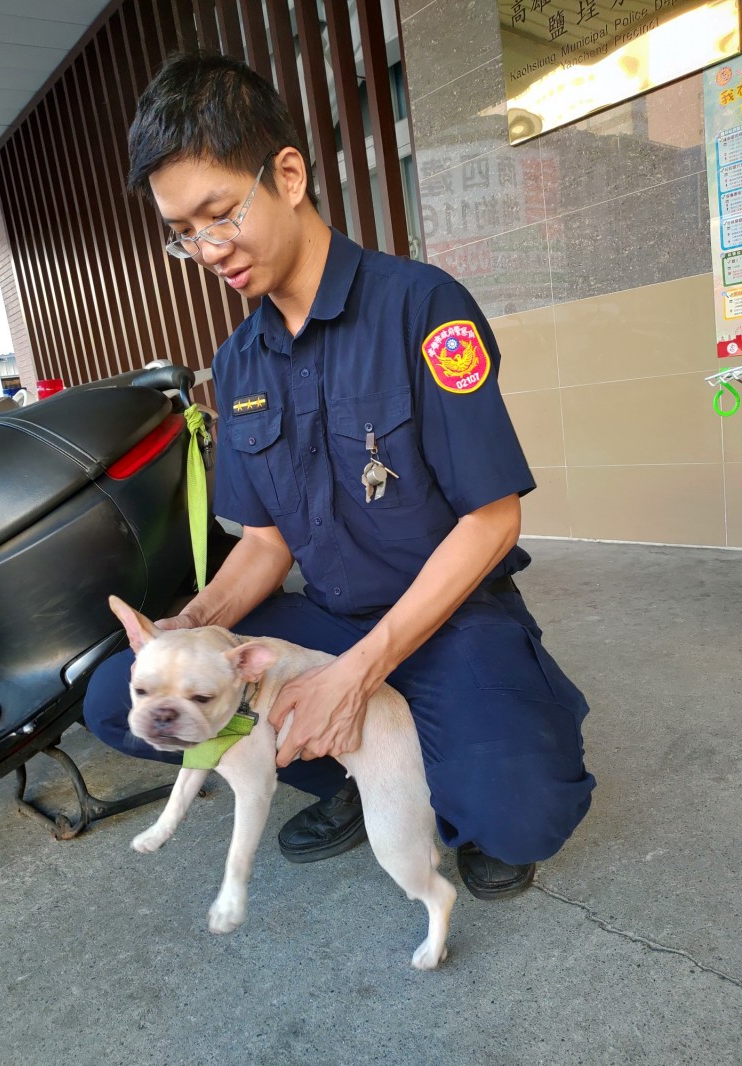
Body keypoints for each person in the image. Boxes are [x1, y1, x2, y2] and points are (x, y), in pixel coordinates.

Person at [83, 51, 595, 901]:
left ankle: (445, 758)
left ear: (287, 175)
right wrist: (194, 625)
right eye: (183, 233)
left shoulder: (421, 307)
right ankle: (354, 770)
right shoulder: (239, 364)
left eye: (219, 214)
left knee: (517, 816)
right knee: (118, 698)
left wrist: (356, 673)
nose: (208, 249)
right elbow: (265, 544)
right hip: (322, 617)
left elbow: (492, 518)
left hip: (448, 616)